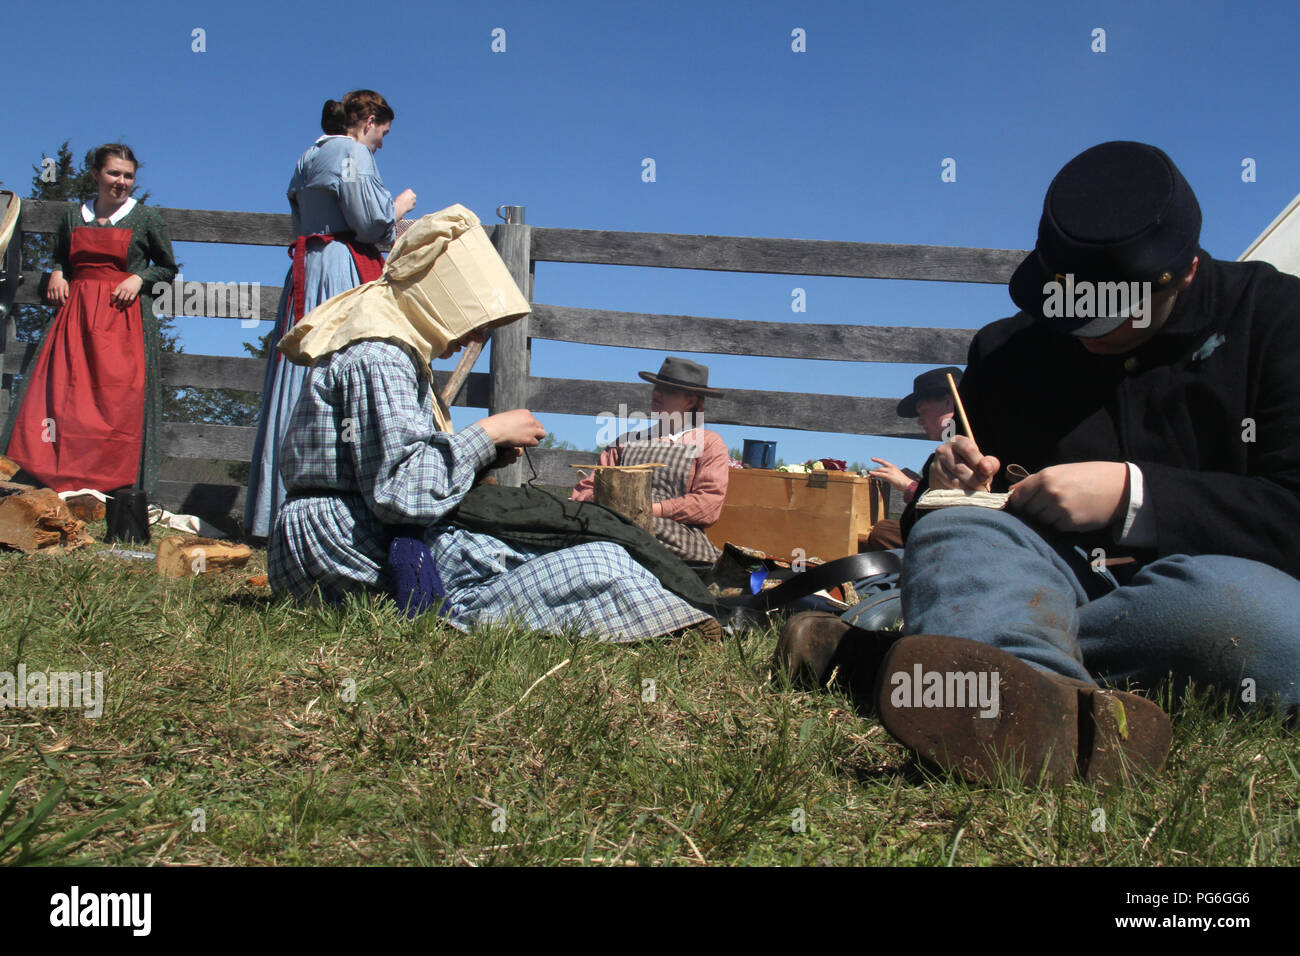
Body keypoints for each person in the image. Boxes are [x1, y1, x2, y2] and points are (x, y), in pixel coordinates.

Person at [788, 141, 1300, 787]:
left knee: (1239, 615)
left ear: (1187, 272)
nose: (1082, 332)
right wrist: (946, 486)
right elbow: (947, 533)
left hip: (1211, 591)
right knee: (962, 531)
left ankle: (918, 661)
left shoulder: (1279, 320)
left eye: (1108, 315)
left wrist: (1133, 495)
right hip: (1043, 577)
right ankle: (1034, 702)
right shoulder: (1008, 352)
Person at [268, 210, 715, 642]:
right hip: (346, 541)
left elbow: (393, 471)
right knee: (599, 562)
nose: (467, 338)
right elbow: (400, 494)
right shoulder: (382, 357)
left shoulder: (387, 350)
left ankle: (659, 605)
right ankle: (672, 616)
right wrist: (488, 434)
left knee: (577, 553)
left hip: (347, 534)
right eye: (468, 321)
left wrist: (483, 456)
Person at [244, 90, 418, 539]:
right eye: (383, 133)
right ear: (369, 120)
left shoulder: (309, 155)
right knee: (341, 371)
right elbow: (370, 223)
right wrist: (398, 208)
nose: (381, 144)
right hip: (340, 268)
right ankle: (333, 514)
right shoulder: (351, 150)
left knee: (297, 374)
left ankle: (275, 510)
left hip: (308, 266)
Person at [1, 144, 176, 494]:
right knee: (60, 394)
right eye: (114, 173)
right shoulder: (71, 216)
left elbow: (168, 267)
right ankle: (45, 479)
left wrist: (139, 278)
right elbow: (61, 256)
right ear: (96, 174)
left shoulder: (145, 218)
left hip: (123, 321)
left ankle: (112, 487)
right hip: (74, 318)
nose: (121, 182)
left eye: (128, 176)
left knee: (115, 401)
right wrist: (57, 272)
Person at [570, 357, 730, 567]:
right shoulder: (625, 442)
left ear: (691, 400)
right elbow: (585, 489)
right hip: (614, 524)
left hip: (670, 534)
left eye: (668, 391)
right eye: (656, 388)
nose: (656, 394)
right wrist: (611, 505)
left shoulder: (709, 443)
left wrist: (649, 509)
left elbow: (708, 505)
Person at [863, 366, 962, 550]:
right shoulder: (958, 444)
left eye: (922, 411)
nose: (919, 420)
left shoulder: (965, 447)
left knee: (882, 532)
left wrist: (909, 486)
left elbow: (951, 510)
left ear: (949, 403)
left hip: (958, 542)